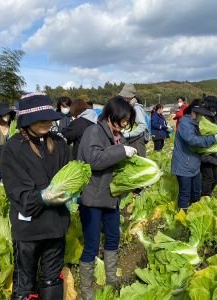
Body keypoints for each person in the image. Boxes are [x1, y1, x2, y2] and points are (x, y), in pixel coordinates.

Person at [1, 93, 71, 300]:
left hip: (56, 224)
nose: (47, 123)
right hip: (29, 228)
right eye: (41, 120)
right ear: (27, 121)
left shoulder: (59, 143)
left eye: (49, 119)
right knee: (25, 282)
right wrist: (42, 197)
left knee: (52, 278)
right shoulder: (13, 148)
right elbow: (16, 190)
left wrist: (73, 193)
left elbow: (71, 174)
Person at [77, 96, 136, 299]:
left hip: (112, 197)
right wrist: (121, 151)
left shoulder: (118, 136)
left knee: (113, 238)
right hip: (92, 199)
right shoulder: (93, 132)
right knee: (92, 244)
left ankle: (112, 280)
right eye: (123, 119)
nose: (125, 124)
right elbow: (95, 160)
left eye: (128, 120)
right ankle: (86, 290)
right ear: (111, 115)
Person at [171, 99, 217, 210]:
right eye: (201, 114)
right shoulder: (184, 123)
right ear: (194, 112)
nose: (203, 117)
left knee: (196, 192)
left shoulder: (195, 123)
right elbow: (193, 140)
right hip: (183, 165)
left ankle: (194, 213)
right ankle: (182, 217)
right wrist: (213, 138)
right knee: (185, 193)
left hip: (194, 164)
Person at [119, 83, 148, 157]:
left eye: (124, 96)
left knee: (140, 160)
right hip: (132, 139)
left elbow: (142, 125)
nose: (123, 98)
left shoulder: (136, 108)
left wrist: (128, 134)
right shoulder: (130, 106)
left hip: (137, 140)